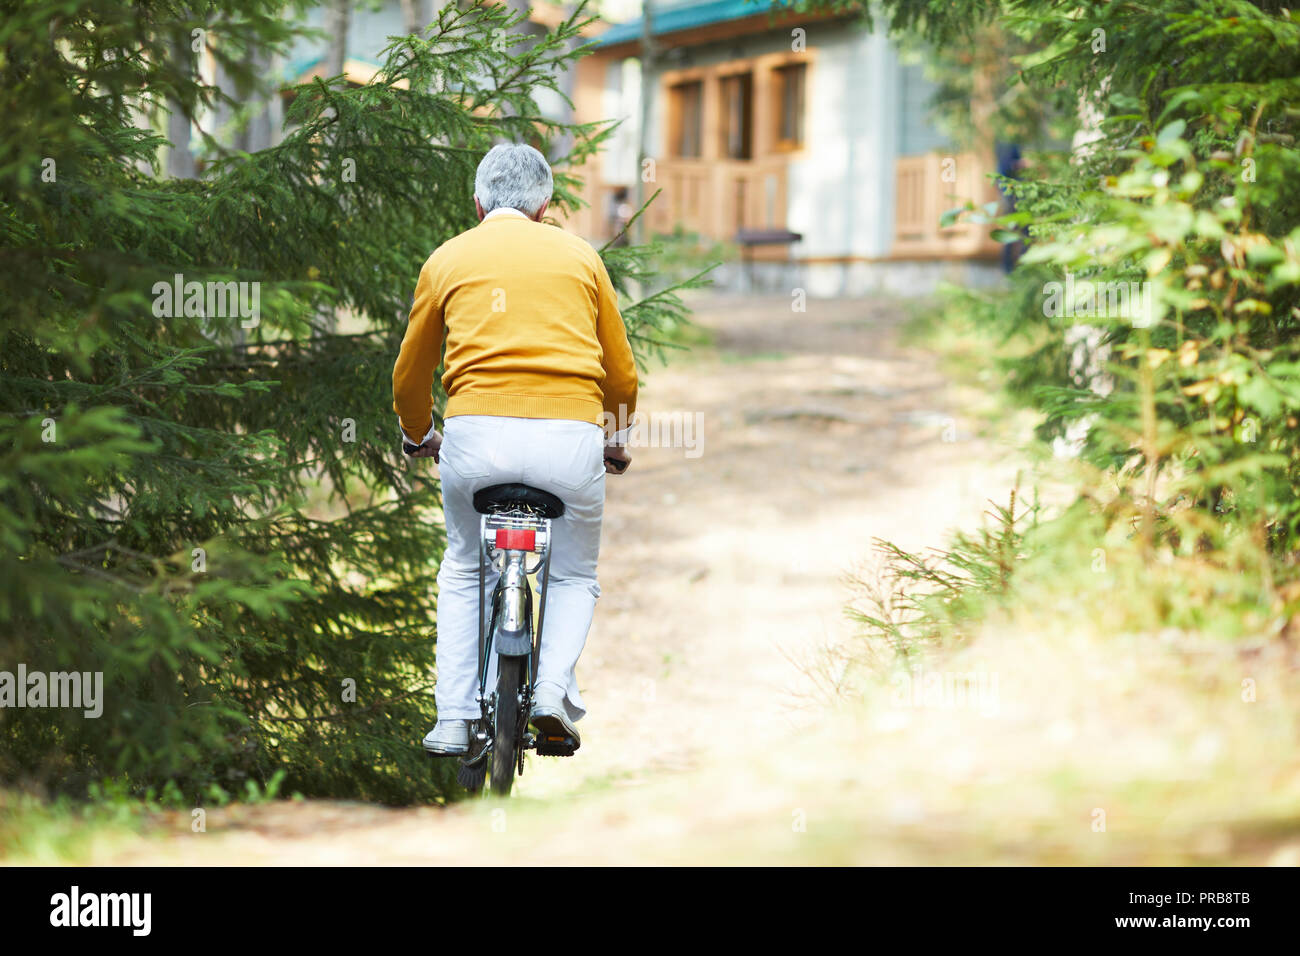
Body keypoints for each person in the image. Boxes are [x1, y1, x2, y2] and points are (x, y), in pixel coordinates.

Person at [392, 143, 638, 755]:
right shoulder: (581, 257)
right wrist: (614, 436)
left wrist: (420, 431)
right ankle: (551, 691)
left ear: (478, 204)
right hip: (570, 444)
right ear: (545, 206)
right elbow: (623, 374)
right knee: (575, 572)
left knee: (465, 567)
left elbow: (409, 372)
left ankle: (452, 716)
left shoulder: (448, 258)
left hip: (474, 443)